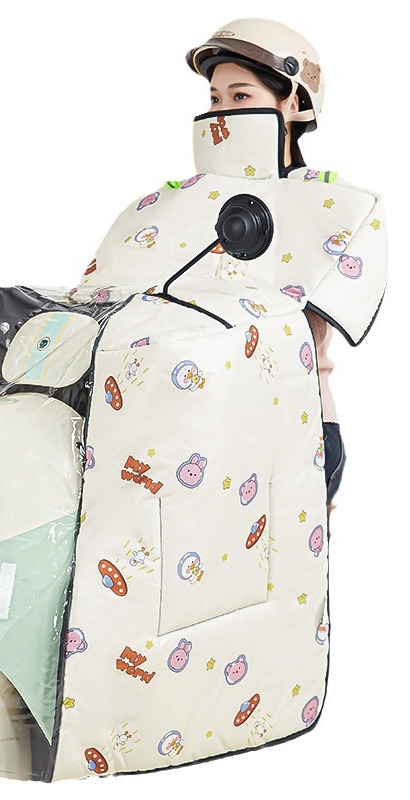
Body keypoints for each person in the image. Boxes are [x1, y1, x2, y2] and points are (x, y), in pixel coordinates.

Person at [185, 19, 345, 525]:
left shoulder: (328, 204)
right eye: (215, 98)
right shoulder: (188, 204)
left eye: (241, 96)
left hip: (297, 427)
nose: (222, 113)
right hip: (202, 425)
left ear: (292, 103)